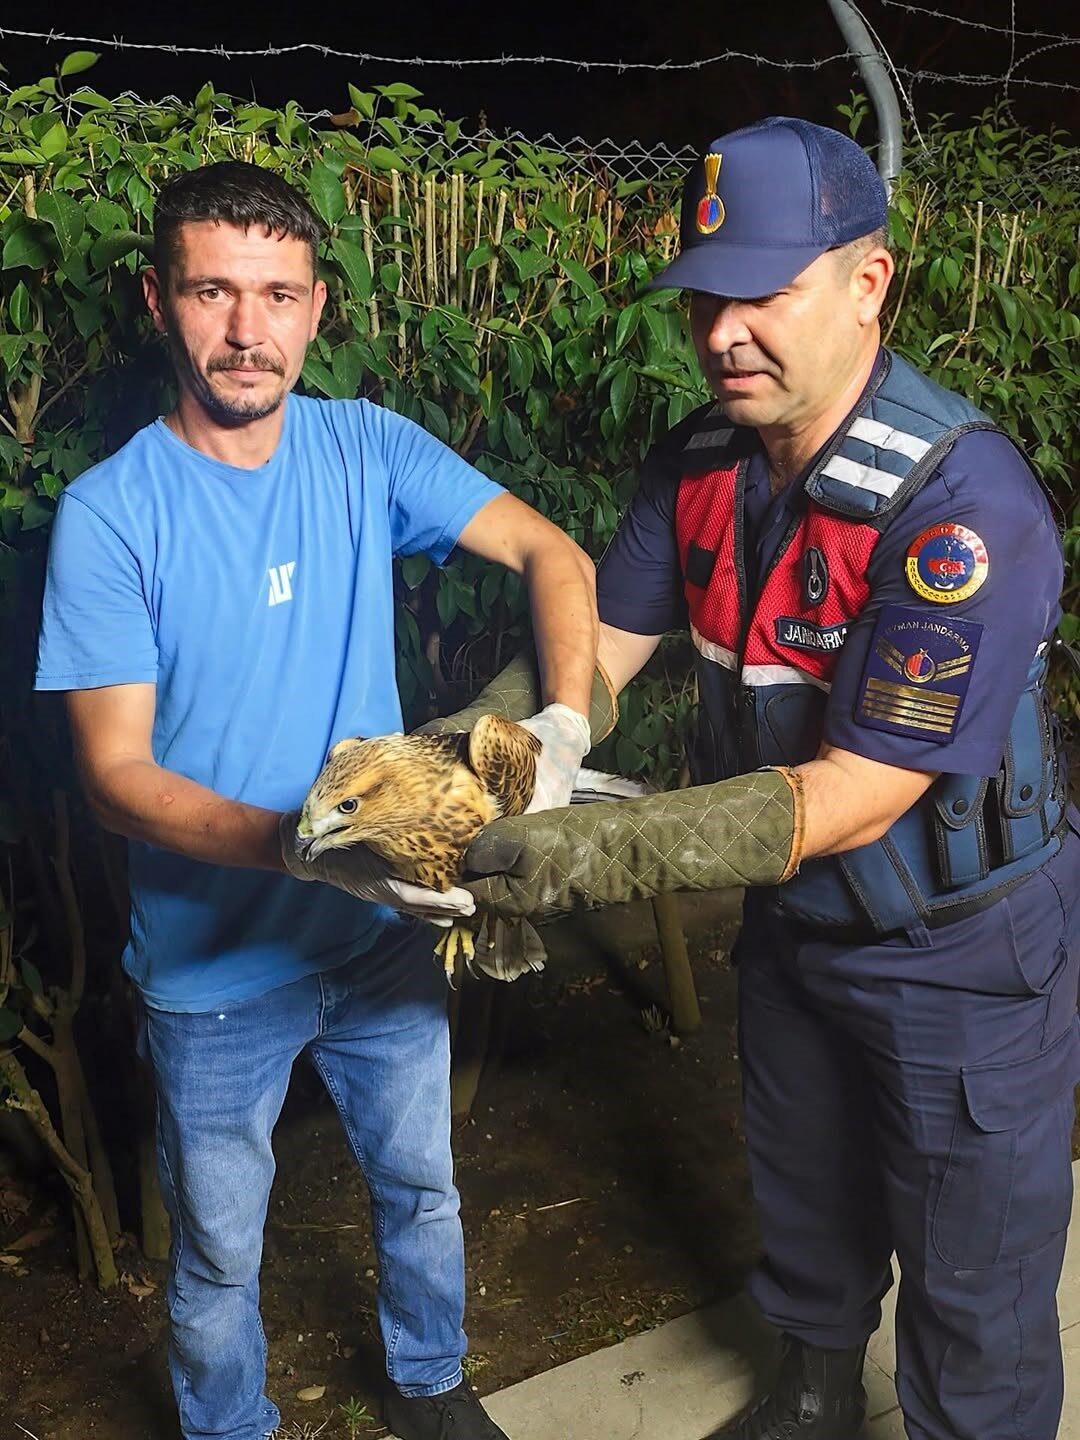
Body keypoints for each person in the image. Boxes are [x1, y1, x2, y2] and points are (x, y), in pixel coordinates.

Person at [461, 117, 1080, 1440]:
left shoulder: (959, 510)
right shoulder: (700, 466)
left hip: (953, 947)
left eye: (767, 289)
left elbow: (863, 787)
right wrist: (488, 751)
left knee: (973, 1279)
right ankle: (811, 1391)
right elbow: (604, 654)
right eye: (704, 296)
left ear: (870, 284)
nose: (725, 329)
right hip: (793, 922)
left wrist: (602, 852)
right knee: (804, 1187)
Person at [33, 160, 602, 1440]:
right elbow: (114, 778)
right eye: (215, 292)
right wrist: (302, 852)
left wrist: (562, 730)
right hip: (210, 969)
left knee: (421, 1187)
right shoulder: (112, 516)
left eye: (279, 295)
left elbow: (552, 553)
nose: (249, 330)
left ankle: (430, 1386)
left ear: (318, 305)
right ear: (157, 299)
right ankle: (231, 1429)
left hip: (382, 933)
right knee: (221, 1253)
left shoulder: (363, 447)